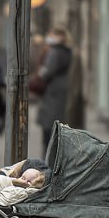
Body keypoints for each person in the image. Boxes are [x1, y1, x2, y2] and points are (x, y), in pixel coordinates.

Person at [34, 27, 72, 156]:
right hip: (60, 93)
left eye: (52, 34)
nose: (49, 37)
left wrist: (41, 71)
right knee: (56, 131)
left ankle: (48, 162)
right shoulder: (67, 52)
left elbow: (47, 72)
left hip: (52, 94)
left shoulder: (55, 52)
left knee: (49, 131)